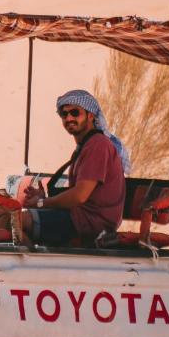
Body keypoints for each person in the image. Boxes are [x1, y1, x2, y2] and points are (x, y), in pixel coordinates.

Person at [20, 89, 127, 246]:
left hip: (89, 223)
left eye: (75, 112)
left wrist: (42, 203)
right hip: (79, 218)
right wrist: (44, 198)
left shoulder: (98, 145)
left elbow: (80, 196)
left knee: (16, 221)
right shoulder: (86, 146)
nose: (69, 118)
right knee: (13, 220)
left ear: (90, 115)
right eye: (64, 114)